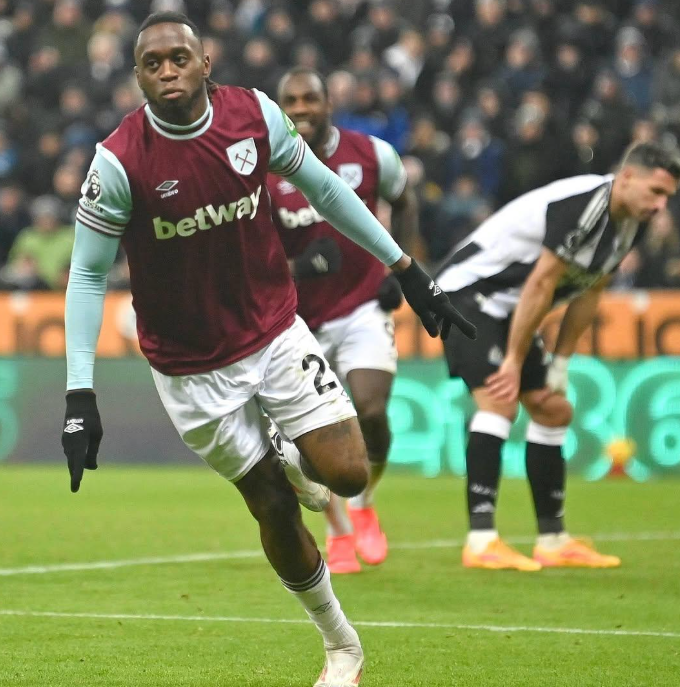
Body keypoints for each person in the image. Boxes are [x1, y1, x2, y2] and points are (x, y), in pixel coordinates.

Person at [60, 12, 474, 687]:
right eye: (152, 64)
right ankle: (341, 646)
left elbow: (327, 189)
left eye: (179, 58)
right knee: (272, 505)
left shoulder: (253, 116)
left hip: (275, 332)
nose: (167, 72)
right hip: (189, 368)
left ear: (205, 63)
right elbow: (86, 274)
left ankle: (290, 448)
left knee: (348, 475)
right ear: (137, 76)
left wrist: (405, 267)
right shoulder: (119, 161)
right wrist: (80, 395)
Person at [436, 141, 679, 571]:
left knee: (553, 409)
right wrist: (513, 360)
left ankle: (552, 540)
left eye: (668, 197)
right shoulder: (585, 204)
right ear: (627, 178)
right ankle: (481, 540)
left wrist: (561, 363)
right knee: (499, 400)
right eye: (656, 192)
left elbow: (590, 291)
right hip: (466, 295)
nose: (661, 206)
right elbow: (541, 283)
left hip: (509, 308)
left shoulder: (631, 222)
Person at [268, 67, 419, 575]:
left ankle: (365, 503)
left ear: (328, 102)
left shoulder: (372, 154)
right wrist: (298, 268)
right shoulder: (264, 171)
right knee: (309, 439)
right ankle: (338, 532)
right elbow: (248, 251)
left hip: (361, 305)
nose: (301, 108)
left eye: (309, 98)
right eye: (291, 100)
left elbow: (405, 202)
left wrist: (402, 269)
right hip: (295, 322)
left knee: (371, 413)